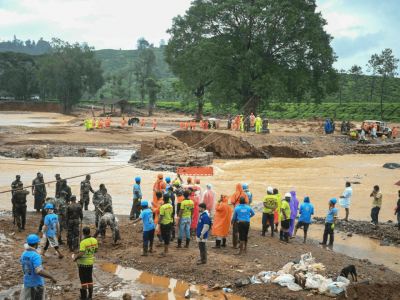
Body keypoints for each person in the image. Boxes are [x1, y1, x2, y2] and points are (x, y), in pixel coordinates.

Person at [20, 234, 57, 300]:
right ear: (36, 244)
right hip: (36, 284)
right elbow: (38, 271)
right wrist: (51, 277)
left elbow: (22, 262)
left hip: (27, 282)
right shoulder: (36, 255)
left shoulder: (24, 254)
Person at [73, 227, 97, 300]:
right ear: (90, 232)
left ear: (83, 233)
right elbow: (95, 251)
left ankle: (83, 297)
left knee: (83, 281)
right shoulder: (94, 240)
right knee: (90, 279)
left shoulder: (83, 242)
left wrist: (76, 258)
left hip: (82, 264)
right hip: (90, 263)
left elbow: (81, 255)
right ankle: (90, 297)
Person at [230, 184, 249, 248]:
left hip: (237, 212)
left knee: (235, 231)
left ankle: (235, 244)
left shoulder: (234, 194)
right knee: (242, 230)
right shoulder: (244, 194)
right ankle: (242, 244)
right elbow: (247, 201)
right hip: (244, 214)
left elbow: (232, 201)